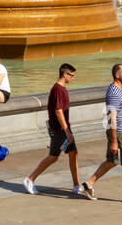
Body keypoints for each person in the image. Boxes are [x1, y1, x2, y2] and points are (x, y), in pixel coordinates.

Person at [24, 63, 91, 196]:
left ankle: (76, 185)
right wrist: (67, 132)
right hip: (60, 130)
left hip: (62, 128)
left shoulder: (60, 89)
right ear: (65, 74)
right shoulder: (58, 89)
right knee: (53, 156)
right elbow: (58, 111)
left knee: (73, 153)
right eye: (72, 75)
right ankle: (30, 179)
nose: (73, 78)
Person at [83, 63, 122, 204]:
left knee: (112, 161)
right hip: (119, 133)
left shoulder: (118, 90)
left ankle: (88, 184)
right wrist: (114, 141)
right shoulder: (114, 93)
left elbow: (120, 114)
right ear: (117, 75)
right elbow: (112, 117)